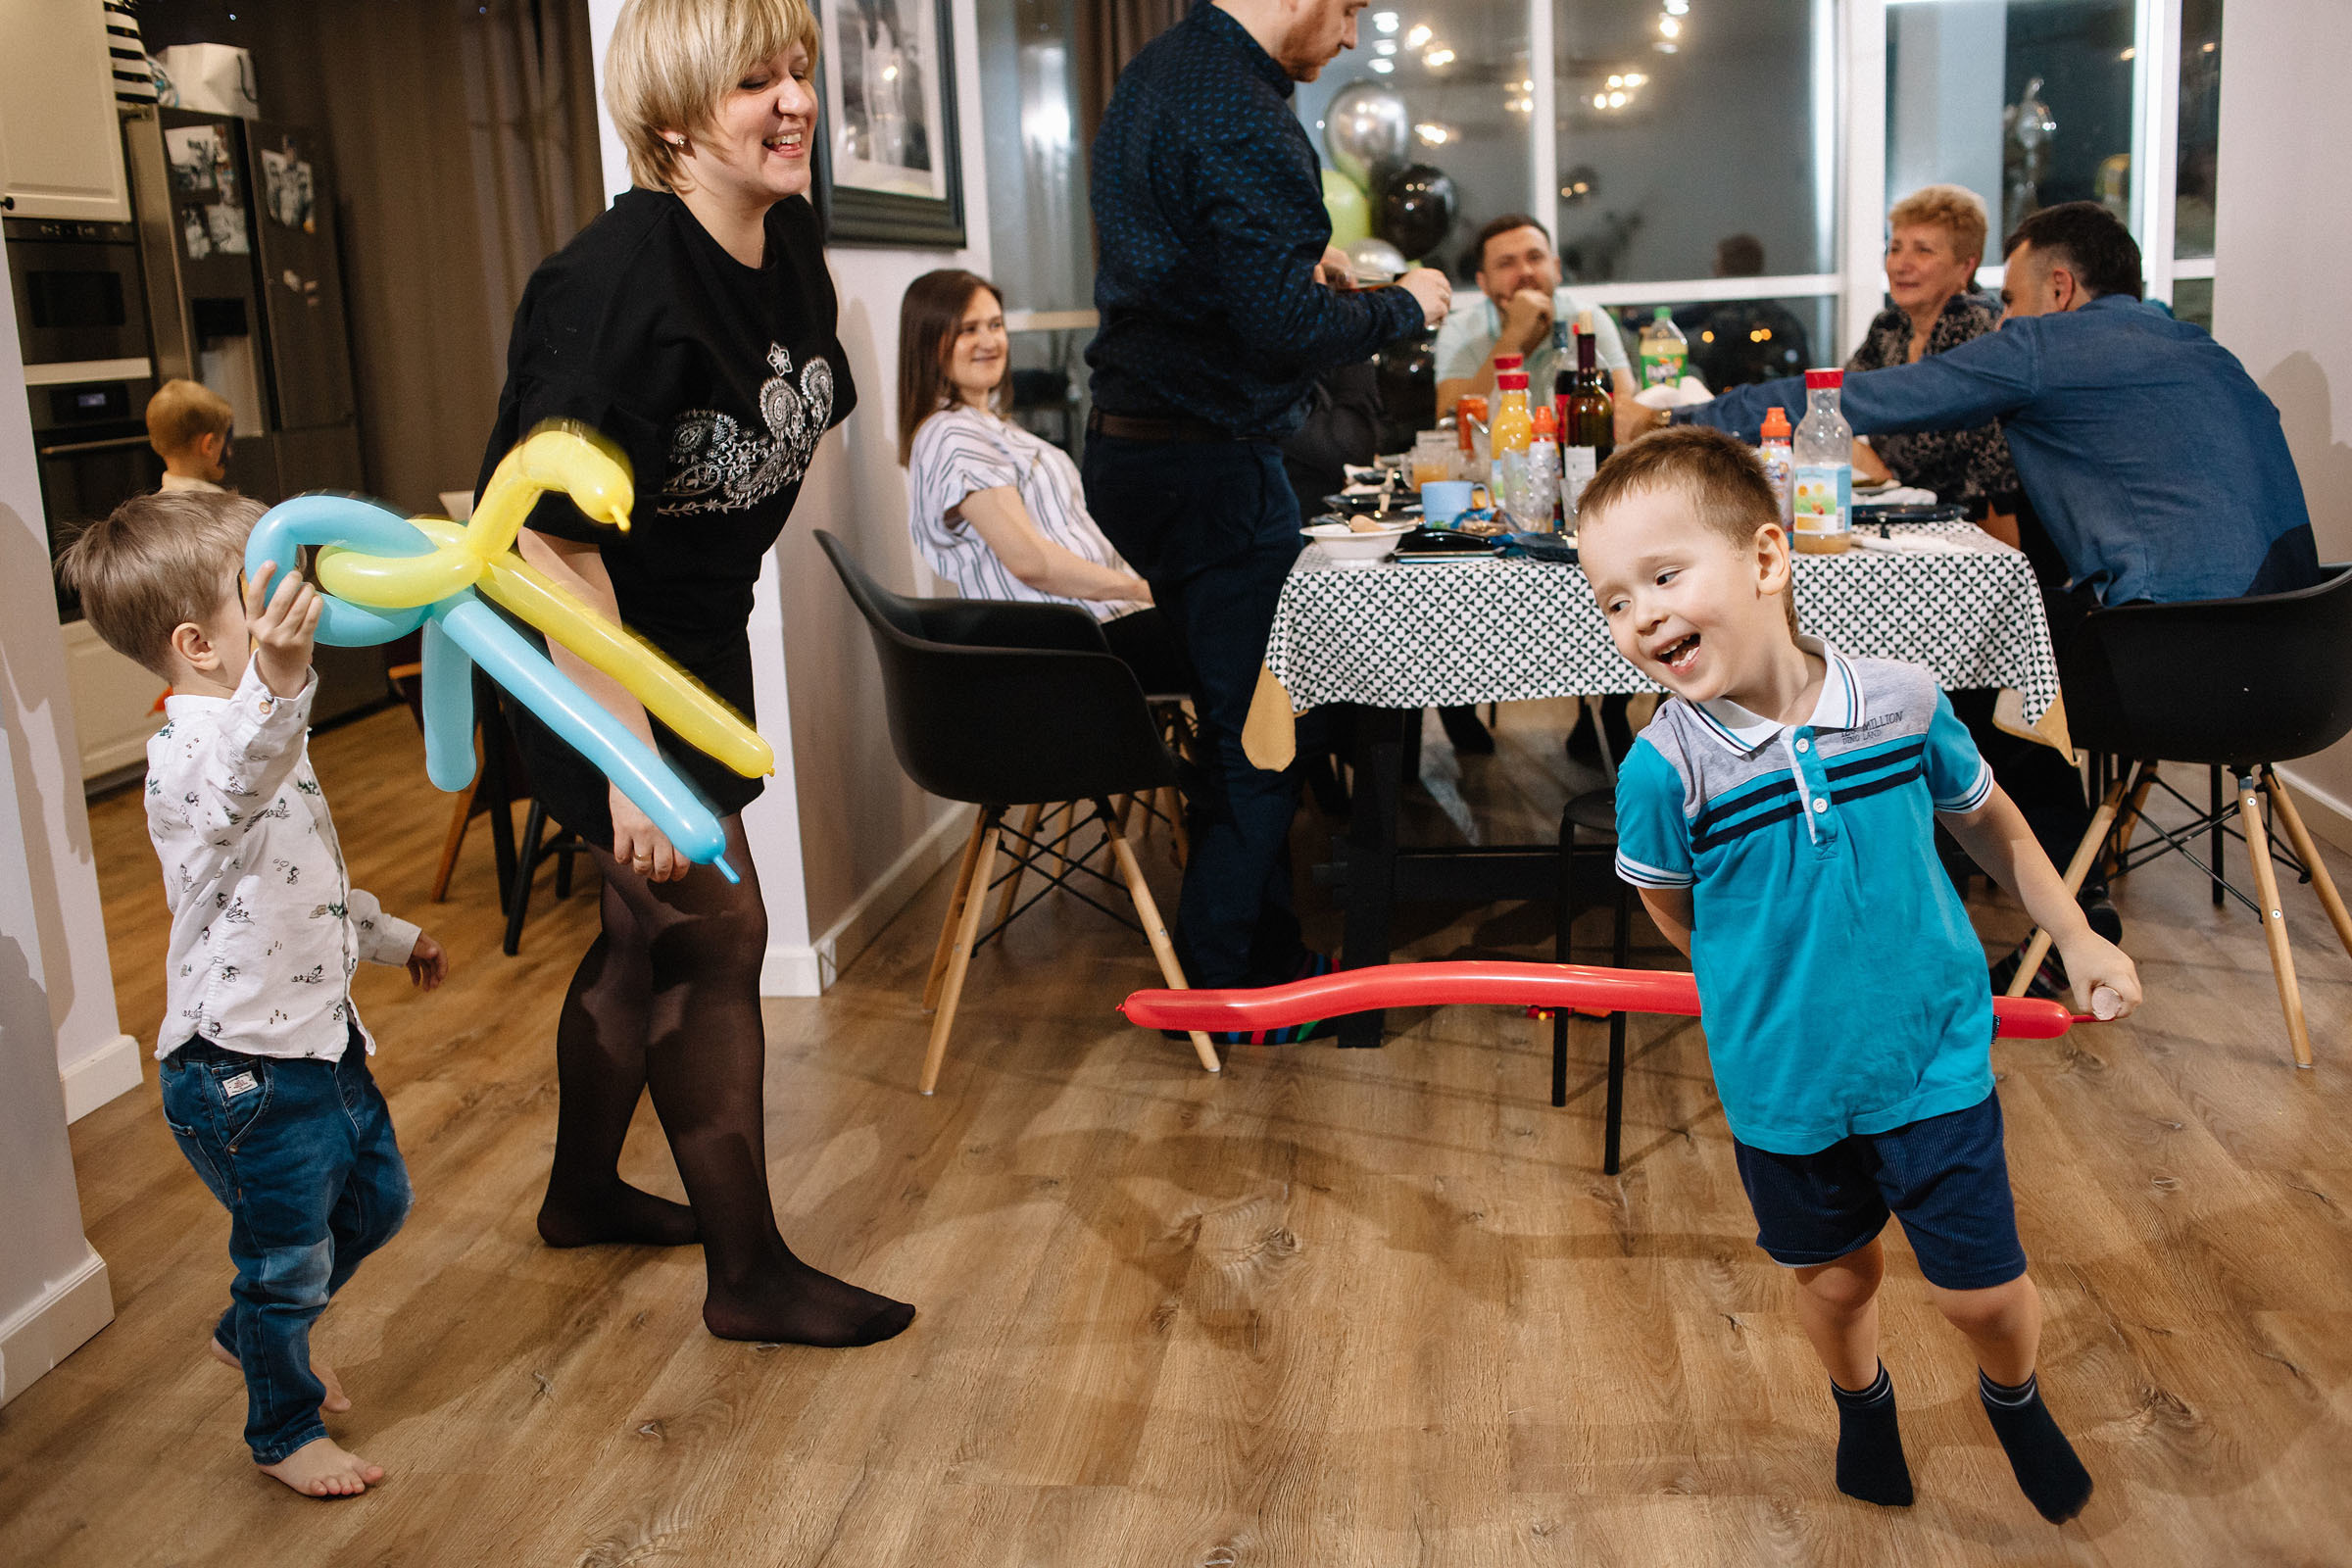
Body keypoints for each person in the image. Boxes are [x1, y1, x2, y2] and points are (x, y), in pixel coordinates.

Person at [1576, 427, 2139, 1524]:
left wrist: (2075, 935)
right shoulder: (1664, 771)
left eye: (1663, 574)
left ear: (1768, 559)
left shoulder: (1905, 703)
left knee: (1981, 1290)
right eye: (1611, 599)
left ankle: (2013, 1396)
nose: (1639, 615)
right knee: (1836, 1280)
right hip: (1783, 1086)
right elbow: (1667, 899)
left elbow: (1993, 826)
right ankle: (1863, 1404)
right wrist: (1749, 975)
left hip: (1930, 1058)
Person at [482, 0, 913, 1347]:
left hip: (694, 644)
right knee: (716, 932)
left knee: (643, 932)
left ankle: (578, 1197)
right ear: (673, 118)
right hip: (577, 652)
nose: (795, 103)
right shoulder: (609, 288)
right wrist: (625, 760)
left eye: (799, 73)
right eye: (753, 83)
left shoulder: (783, 246)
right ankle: (749, 1277)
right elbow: (550, 544)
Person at [54, 491, 449, 1497]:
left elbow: (299, 882)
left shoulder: (260, 734)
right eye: (256, 595)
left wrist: (390, 934)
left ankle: (246, 1335)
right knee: (288, 1266)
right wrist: (280, 680)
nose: (290, 603)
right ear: (197, 644)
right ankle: (283, 1428)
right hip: (243, 1075)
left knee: (380, 1202)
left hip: (320, 1041)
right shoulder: (188, 755)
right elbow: (239, 780)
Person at [1082, 0, 1451, 1029]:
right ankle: (1236, 991)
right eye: (1350, 14)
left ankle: (1267, 951)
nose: (1348, 40)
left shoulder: (1161, 71)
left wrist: (1301, 273)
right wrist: (1406, 304)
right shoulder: (1244, 109)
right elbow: (1285, 328)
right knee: (1264, 739)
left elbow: (1207, 270)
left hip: (1136, 450)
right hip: (1206, 466)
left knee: (1243, 720)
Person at [1643, 201, 2319, 609]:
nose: (2005, 323)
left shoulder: (2042, 348)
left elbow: (1851, 398)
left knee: (1971, 641)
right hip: (2295, 646)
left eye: (2015, 305)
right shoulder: (2200, 347)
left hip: (2166, 642)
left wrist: (1680, 422)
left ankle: (2006, 843)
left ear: (2060, 289)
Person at [897, 269, 1191, 695]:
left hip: (1102, 618)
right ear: (928, 343)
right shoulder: (952, 435)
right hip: (1076, 638)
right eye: (967, 330)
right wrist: (1145, 589)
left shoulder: (988, 426)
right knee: (1244, 636)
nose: (989, 342)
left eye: (995, 325)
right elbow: (1030, 562)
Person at [1843, 186, 2021, 541]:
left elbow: (1929, 449)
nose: (1900, 264)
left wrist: (1861, 454)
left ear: (1965, 265)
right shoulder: (1890, 325)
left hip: (1979, 523)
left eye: (1923, 250)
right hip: (1905, 511)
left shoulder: (1979, 325)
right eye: (1895, 248)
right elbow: (1840, 397)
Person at [1435, 214, 1633, 417]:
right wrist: (1514, 335)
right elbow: (1450, 421)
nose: (1525, 271)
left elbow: (1622, 409)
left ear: (1556, 269)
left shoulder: (1588, 320)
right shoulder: (1459, 329)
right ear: (1483, 283)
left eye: (1535, 257)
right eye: (1506, 263)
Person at [1676, 234, 1812, 391]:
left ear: (1725, 269)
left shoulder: (1720, 317)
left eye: (1716, 265)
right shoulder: (1780, 317)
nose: (1714, 271)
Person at [146, 377, 234, 494]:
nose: (229, 452)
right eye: (226, 443)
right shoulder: (222, 505)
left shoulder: (153, 507)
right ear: (209, 445)